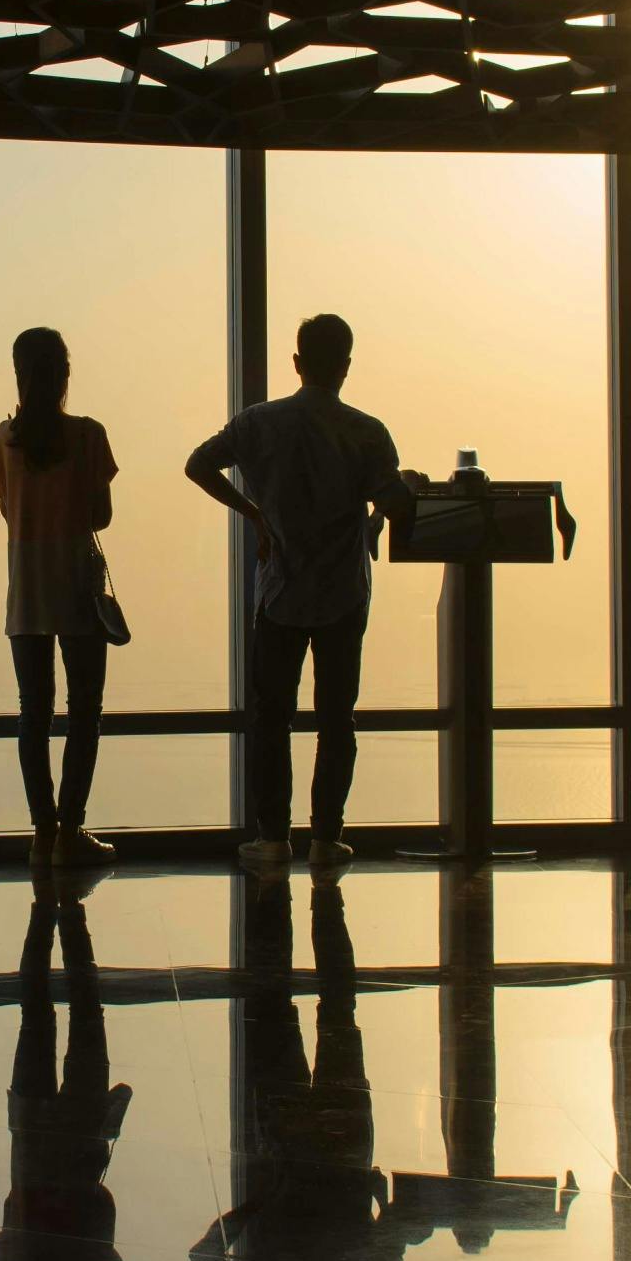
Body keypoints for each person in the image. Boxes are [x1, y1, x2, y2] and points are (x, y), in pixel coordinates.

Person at [187, 313, 415, 872]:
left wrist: (255, 514)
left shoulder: (259, 423)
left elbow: (198, 465)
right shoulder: (367, 431)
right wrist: (385, 509)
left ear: (297, 362)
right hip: (343, 592)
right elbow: (395, 498)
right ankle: (326, 837)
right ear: (346, 366)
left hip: (280, 592)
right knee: (337, 718)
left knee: (272, 717)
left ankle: (272, 836)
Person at [190, 881, 419, 1261]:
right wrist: (254, 1210)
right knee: (278, 1012)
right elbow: (203, 1257)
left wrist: (384, 1204)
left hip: (344, 1145)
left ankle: (322, 896)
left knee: (338, 1009)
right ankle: (277, 895)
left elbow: (398, 1224)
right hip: (288, 1141)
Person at [0, 327, 119, 865]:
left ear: (18, 374)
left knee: (33, 715)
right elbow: (102, 517)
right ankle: (71, 832)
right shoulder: (89, 436)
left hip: (27, 589)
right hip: (76, 587)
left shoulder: (6, 437)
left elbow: (6, 505)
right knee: (84, 711)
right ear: (65, 375)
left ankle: (42, 834)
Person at [0, 891, 130, 1261]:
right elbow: (12, 1211)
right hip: (30, 1140)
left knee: (86, 1015)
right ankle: (43, 911)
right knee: (35, 1015)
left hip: (80, 1138)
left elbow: (104, 1211)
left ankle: (68, 913)